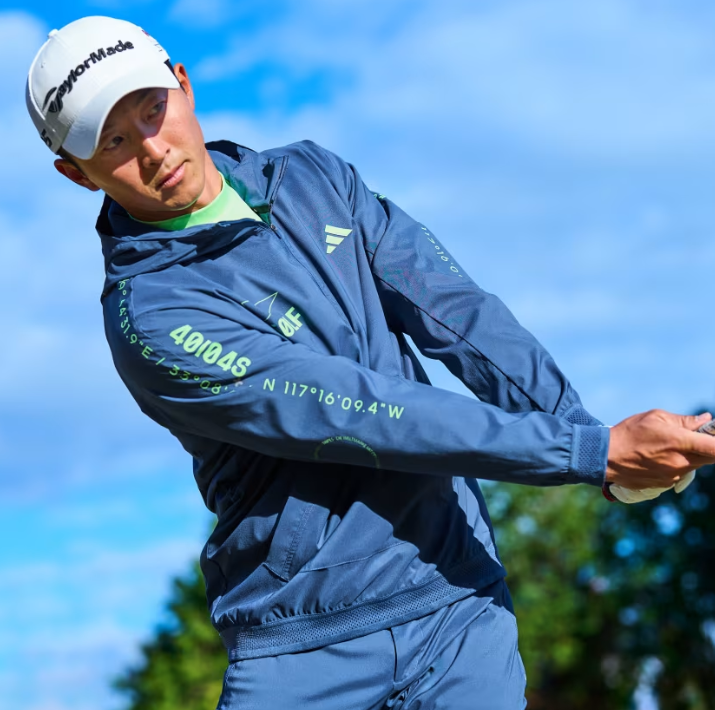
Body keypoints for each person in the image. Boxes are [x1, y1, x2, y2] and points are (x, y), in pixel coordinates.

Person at [26, 15, 715, 710]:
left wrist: (592, 441)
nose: (153, 149)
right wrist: (589, 453)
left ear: (183, 84)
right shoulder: (150, 319)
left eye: (152, 109)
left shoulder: (312, 178)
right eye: (113, 142)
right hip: (302, 646)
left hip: (458, 606)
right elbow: (363, 413)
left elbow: (456, 312)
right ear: (76, 173)